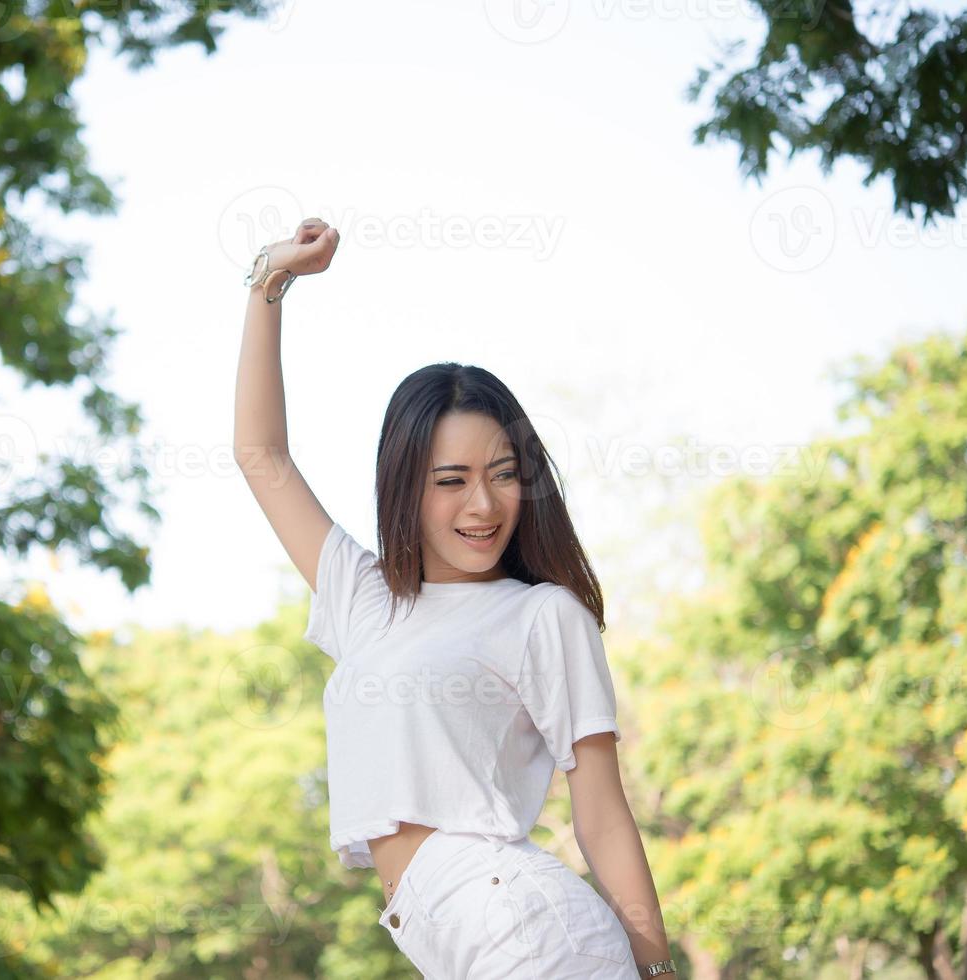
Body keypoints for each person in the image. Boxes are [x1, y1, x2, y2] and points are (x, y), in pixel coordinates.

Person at [233, 217, 678, 979]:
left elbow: (600, 813)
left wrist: (658, 968)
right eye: (451, 481)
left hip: (526, 930)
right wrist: (268, 281)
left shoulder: (543, 614)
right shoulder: (365, 600)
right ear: (404, 487)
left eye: (503, 474)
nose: (483, 505)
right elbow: (259, 455)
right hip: (449, 937)